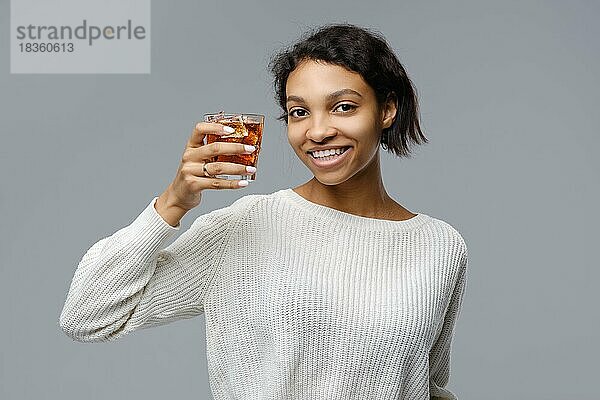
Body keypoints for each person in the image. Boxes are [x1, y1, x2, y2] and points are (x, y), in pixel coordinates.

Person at [59, 23, 468, 400]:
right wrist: (173, 202)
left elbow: (425, 385)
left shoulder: (441, 246)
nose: (318, 130)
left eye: (343, 106)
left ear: (387, 110)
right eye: (299, 112)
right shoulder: (247, 226)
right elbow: (87, 315)